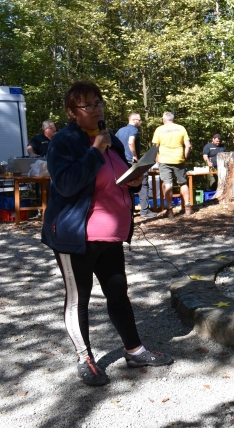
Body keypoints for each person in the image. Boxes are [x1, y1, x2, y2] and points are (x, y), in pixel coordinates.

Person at [41, 81, 173, 387]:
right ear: (72, 112)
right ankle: (84, 358)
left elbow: (119, 177)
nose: (96, 109)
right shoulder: (64, 141)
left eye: (98, 103)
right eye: (88, 105)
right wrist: (95, 150)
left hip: (110, 235)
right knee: (79, 299)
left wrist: (134, 180)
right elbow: (67, 184)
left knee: (118, 293)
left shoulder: (111, 139)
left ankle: (135, 351)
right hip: (76, 237)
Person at [151, 111, 192, 217]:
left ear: (164, 119)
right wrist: (185, 156)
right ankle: (188, 207)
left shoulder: (159, 129)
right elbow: (188, 146)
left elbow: (155, 147)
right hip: (179, 159)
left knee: (168, 184)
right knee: (183, 183)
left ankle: (170, 211)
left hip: (164, 160)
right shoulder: (181, 128)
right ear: (173, 119)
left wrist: (156, 159)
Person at [115, 113, 156, 218]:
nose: (140, 122)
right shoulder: (134, 129)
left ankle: (129, 211)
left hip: (122, 162)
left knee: (127, 185)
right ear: (134, 120)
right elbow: (131, 142)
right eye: (139, 120)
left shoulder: (120, 131)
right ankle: (145, 211)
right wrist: (135, 156)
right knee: (143, 183)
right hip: (132, 162)